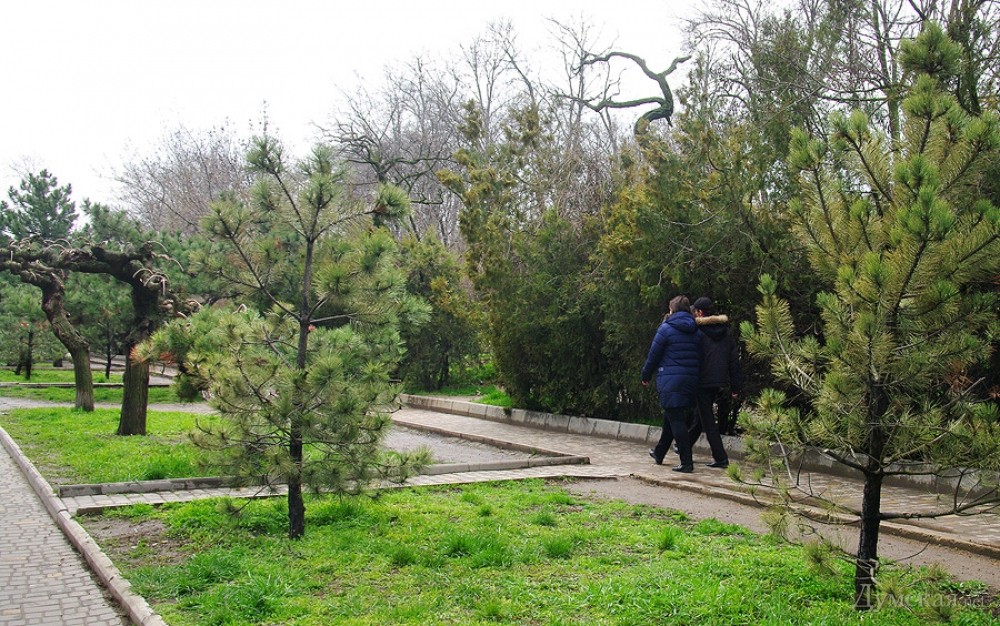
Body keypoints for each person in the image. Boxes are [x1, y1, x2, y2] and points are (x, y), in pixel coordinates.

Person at [641, 295, 701, 472]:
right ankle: (659, 452)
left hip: (670, 379)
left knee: (676, 420)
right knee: (672, 415)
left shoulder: (666, 328)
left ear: (672, 310)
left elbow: (654, 355)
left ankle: (686, 462)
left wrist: (646, 375)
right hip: (690, 380)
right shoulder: (696, 330)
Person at [688, 296, 742, 468]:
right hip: (717, 381)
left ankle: (720, 457)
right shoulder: (726, 333)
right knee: (701, 415)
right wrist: (735, 387)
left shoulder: (698, 332)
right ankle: (684, 446)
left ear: (700, 312)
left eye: (695, 311)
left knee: (708, 420)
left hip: (701, 380)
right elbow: (734, 361)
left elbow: (693, 357)